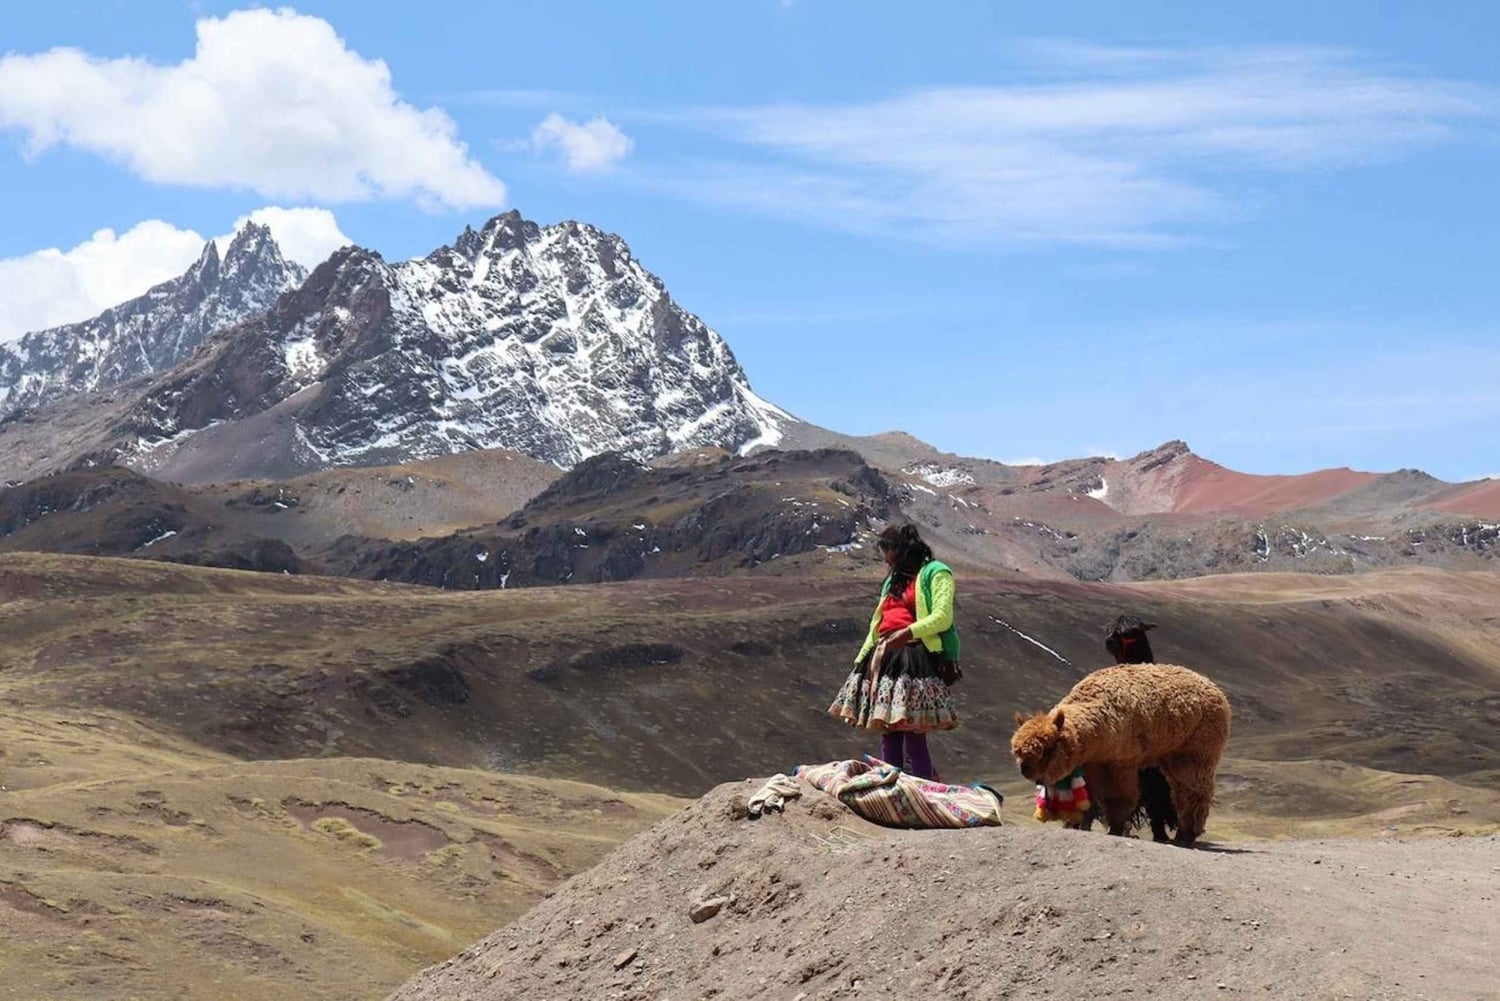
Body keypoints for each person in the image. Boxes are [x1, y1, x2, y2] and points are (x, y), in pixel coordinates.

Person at [828, 523, 959, 779]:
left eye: (887, 552)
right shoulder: (892, 581)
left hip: (915, 657)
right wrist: (861, 660)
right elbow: (877, 625)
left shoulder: (936, 573)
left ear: (901, 550)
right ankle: (891, 785)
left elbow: (942, 617)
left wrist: (908, 633)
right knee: (889, 731)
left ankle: (920, 787)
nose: (886, 560)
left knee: (913, 733)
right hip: (886, 658)